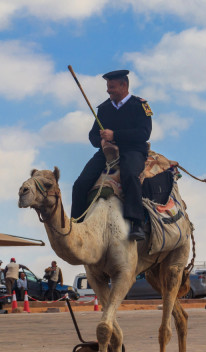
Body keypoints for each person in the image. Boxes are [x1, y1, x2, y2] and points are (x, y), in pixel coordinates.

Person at [71, 69, 153, 241]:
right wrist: (100, 142)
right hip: (105, 153)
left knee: (131, 175)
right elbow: (93, 135)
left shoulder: (140, 105)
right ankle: (77, 223)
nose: (108, 90)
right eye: (108, 87)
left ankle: (136, 223)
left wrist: (115, 135)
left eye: (112, 87)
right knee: (80, 183)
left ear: (124, 85)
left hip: (133, 150)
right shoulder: (104, 108)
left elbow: (144, 133)